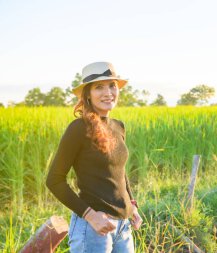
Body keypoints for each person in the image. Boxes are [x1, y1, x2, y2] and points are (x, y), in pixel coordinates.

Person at [46, 62, 142, 253]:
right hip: (93, 229)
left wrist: (132, 205)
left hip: (123, 227)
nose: (108, 92)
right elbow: (54, 180)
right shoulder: (79, 129)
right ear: (87, 94)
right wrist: (90, 215)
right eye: (99, 87)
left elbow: (119, 172)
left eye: (112, 85)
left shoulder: (118, 126)